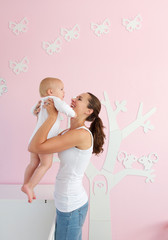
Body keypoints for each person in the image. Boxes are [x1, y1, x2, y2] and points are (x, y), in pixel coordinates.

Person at [28, 92, 106, 240]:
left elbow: (34, 146)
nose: (73, 99)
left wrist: (51, 117)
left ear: (88, 111)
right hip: (66, 203)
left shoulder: (80, 135)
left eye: (79, 99)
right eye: (76, 96)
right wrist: (41, 116)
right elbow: (40, 143)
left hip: (71, 206)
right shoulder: (68, 132)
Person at [21, 77, 76, 203]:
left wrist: (36, 111)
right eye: (61, 89)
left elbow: (32, 111)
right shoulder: (55, 100)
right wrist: (74, 114)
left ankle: (26, 184)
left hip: (34, 137)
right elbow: (65, 109)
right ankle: (29, 186)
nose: (64, 92)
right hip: (44, 139)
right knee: (46, 164)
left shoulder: (42, 101)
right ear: (51, 92)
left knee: (33, 163)